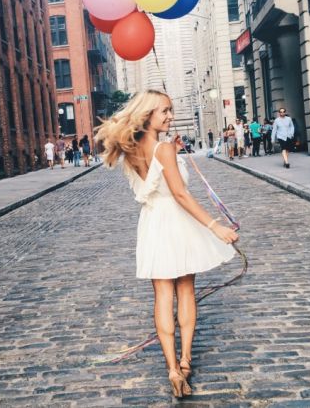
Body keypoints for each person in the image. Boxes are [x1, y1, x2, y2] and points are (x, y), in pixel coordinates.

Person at [94, 90, 238, 398]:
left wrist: (169, 150)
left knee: (162, 295)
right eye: (165, 111)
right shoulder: (164, 149)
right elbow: (181, 195)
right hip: (177, 222)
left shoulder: (130, 151)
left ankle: (171, 368)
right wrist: (216, 227)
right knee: (185, 289)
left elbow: (156, 182)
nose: (170, 116)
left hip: (152, 224)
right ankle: (185, 362)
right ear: (147, 115)